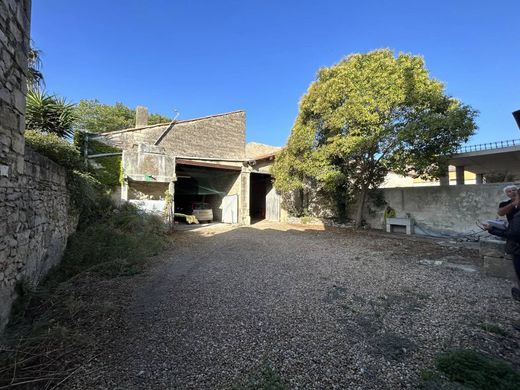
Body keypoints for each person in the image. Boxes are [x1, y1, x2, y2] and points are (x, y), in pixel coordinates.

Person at [486, 189, 520, 302]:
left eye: (514, 191)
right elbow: (500, 212)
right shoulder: (506, 204)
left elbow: (513, 233)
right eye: (509, 191)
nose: (513, 193)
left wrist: (492, 230)